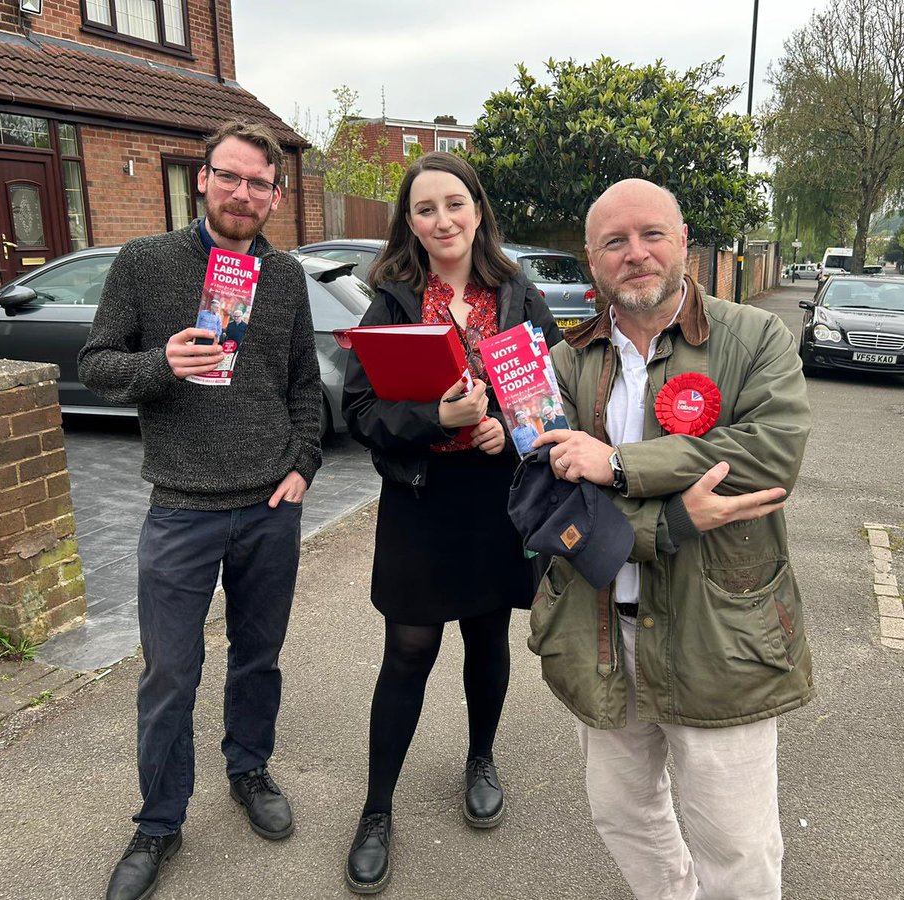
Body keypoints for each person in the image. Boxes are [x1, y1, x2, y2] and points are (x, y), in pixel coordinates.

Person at [530, 178, 814, 900]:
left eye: (652, 234)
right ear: (592, 261)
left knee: (737, 842)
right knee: (623, 813)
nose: (636, 254)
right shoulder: (569, 362)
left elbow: (768, 456)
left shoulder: (753, 338)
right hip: (603, 629)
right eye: (614, 242)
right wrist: (673, 519)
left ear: (685, 240)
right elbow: (555, 503)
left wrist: (618, 464)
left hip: (716, 631)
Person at [78, 119, 323, 900]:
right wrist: (163, 363)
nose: (244, 193)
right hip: (180, 509)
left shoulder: (283, 278)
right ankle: (159, 822)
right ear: (202, 178)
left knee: (258, 657)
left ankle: (249, 771)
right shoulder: (146, 263)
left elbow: (304, 386)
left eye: (260, 183)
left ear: (277, 196)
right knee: (170, 673)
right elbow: (96, 365)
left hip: (268, 510)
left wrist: (304, 466)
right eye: (231, 177)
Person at [340, 151, 560, 895]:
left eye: (454, 204)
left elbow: (556, 396)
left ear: (477, 210)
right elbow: (361, 412)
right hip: (423, 501)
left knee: (487, 636)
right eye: (425, 208)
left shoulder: (519, 295)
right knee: (407, 650)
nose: (442, 220)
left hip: (498, 502)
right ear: (410, 221)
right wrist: (436, 416)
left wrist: (508, 424)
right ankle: (376, 811)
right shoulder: (393, 301)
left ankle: (480, 757)